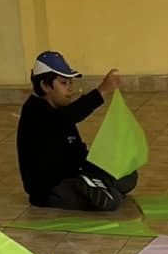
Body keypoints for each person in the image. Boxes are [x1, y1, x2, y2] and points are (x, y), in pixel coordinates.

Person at [17, 51, 133, 212]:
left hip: (76, 172)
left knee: (128, 175)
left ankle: (97, 184)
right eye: (64, 84)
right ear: (45, 85)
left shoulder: (59, 109)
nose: (69, 90)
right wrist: (101, 91)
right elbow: (71, 115)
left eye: (70, 84)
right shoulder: (35, 112)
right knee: (110, 200)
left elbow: (76, 148)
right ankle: (98, 187)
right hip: (52, 186)